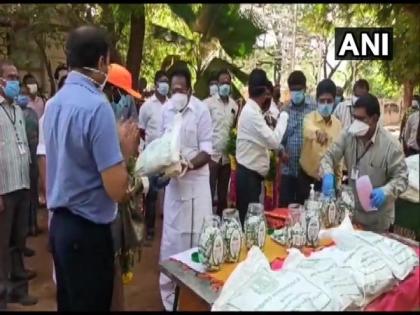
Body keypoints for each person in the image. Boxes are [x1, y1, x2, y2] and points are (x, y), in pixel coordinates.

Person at [43, 26, 139, 311]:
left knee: (69, 304)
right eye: (107, 62)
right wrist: (123, 151)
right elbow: (117, 190)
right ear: (100, 62)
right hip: (88, 232)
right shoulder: (97, 107)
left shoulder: (54, 103)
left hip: (60, 227)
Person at [159, 66, 213, 311]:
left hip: (197, 183)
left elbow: (207, 149)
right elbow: (161, 145)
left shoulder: (201, 111)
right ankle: (170, 300)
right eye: (173, 90)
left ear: (190, 89)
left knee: (199, 237)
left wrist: (189, 164)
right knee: (173, 239)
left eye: (181, 89)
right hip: (175, 185)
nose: (176, 94)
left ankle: (200, 296)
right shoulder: (165, 111)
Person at [321, 94, 408, 233]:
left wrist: (385, 192)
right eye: (355, 117)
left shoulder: (391, 146)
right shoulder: (348, 135)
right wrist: (327, 174)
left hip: (378, 221)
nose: (356, 123)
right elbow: (329, 157)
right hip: (352, 216)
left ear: (374, 119)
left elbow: (401, 178)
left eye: (361, 119)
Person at [0, 60, 38, 310]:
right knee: (2, 244)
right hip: (4, 188)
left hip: (22, 183)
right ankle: (2, 293)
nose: (15, 81)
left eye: (17, 77)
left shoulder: (18, 111)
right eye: (10, 77)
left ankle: (18, 289)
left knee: (18, 239)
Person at [236, 69, 288, 225]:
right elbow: (273, 141)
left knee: (251, 222)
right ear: (265, 92)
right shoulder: (251, 113)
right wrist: (283, 116)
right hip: (248, 178)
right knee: (249, 224)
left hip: (251, 177)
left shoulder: (254, 111)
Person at [298, 79, 342, 201]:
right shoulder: (309, 118)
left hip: (327, 181)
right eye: (322, 101)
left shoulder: (338, 125)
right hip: (306, 178)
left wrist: (338, 183)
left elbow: (339, 156)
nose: (326, 104)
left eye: (329, 101)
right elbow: (307, 129)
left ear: (335, 101)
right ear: (317, 101)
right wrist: (317, 132)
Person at [138, 70, 169, 240]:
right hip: (151, 155)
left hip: (168, 156)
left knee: (168, 193)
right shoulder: (147, 106)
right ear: (156, 84)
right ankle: (149, 230)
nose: (165, 85)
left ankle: (166, 230)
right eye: (162, 81)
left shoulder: (172, 104)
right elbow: (141, 130)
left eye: (167, 81)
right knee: (150, 195)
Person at [279, 70, 316, 207]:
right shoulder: (285, 109)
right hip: (288, 169)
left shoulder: (314, 107)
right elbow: (279, 140)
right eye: (292, 90)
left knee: (304, 208)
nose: (295, 93)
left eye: (298, 90)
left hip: (307, 170)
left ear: (305, 88)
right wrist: (281, 152)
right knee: (285, 208)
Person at [204, 69, 238, 215]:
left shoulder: (234, 106)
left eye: (227, 83)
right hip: (212, 156)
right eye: (222, 82)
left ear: (230, 85)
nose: (225, 85)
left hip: (226, 159)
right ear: (217, 84)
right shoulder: (207, 104)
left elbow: (234, 129)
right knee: (208, 193)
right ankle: (207, 223)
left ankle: (221, 223)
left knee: (223, 194)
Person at [16, 86, 41, 249]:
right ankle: (22, 233)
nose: (23, 97)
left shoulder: (32, 114)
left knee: (32, 196)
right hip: (19, 162)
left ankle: (32, 225)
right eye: (21, 95)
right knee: (22, 199)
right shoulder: (14, 114)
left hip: (33, 158)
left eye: (25, 94)